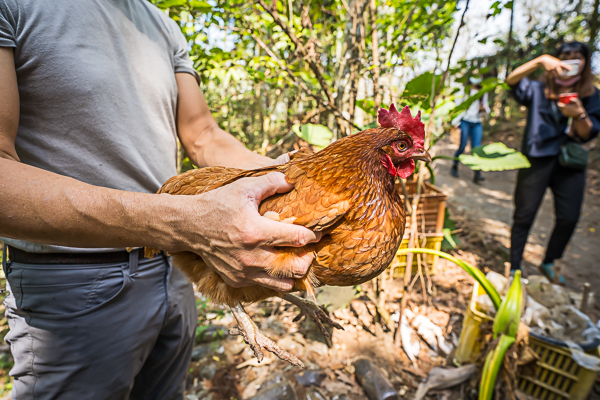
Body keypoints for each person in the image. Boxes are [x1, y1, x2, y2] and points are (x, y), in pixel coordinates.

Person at [0, 1, 319, 399]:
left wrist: (284, 178)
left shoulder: (162, 25)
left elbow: (202, 134)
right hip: (74, 282)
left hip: (174, 269)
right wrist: (182, 222)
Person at [506, 41, 600, 282]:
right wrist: (539, 61)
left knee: (569, 216)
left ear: (585, 62)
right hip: (537, 158)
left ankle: (549, 260)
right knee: (524, 213)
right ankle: (515, 264)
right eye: (564, 55)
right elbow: (512, 81)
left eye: (576, 56)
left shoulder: (591, 95)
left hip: (570, 162)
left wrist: (578, 114)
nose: (569, 59)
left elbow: (589, 133)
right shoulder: (538, 89)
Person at [451, 77, 490, 183]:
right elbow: (458, 106)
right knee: (462, 146)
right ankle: (454, 166)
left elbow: (487, 109)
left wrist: (484, 110)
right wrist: (455, 122)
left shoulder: (483, 93)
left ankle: (477, 173)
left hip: (477, 122)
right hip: (465, 121)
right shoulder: (464, 91)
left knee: (476, 148)